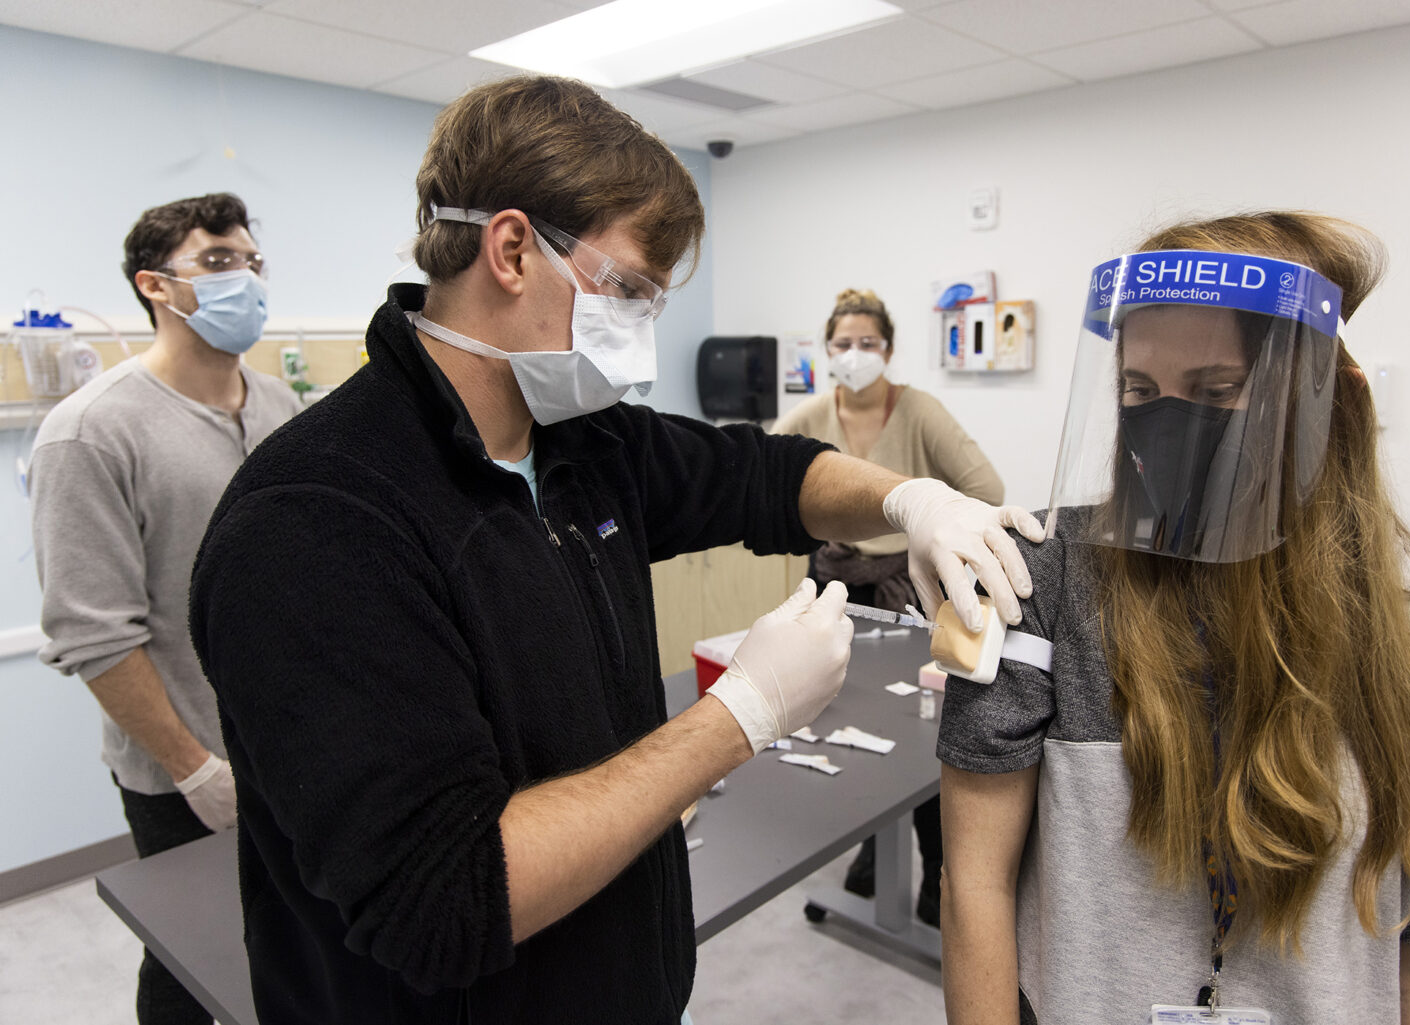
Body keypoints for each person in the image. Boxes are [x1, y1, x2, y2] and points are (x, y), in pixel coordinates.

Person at [186, 75, 1042, 1024]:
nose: (637, 329)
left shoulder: (585, 439)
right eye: (627, 289)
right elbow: (448, 899)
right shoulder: (315, 522)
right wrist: (740, 714)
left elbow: (765, 473)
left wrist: (909, 498)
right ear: (511, 248)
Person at [937, 211, 1410, 1025]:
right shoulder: (1043, 580)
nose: (1170, 422)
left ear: (1334, 405)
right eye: (1139, 392)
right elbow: (974, 882)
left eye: (1219, 391)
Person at [30, 192, 302, 1025]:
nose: (244, 279)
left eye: (252, 262)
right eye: (218, 263)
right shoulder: (92, 432)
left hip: (294, 747)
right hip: (188, 770)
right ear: (156, 285)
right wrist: (195, 769)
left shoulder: (280, 409)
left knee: (294, 945)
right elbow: (93, 634)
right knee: (196, 959)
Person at [774, 287, 1007, 925]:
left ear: (890, 350)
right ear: (826, 351)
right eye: (842, 344)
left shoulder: (920, 412)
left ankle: (935, 873)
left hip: (907, 595)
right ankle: (873, 855)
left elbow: (987, 490)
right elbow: (763, 484)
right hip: (833, 589)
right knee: (848, 723)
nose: (855, 355)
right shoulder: (813, 413)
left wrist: (921, 531)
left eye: (867, 343)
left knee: (924, 733)